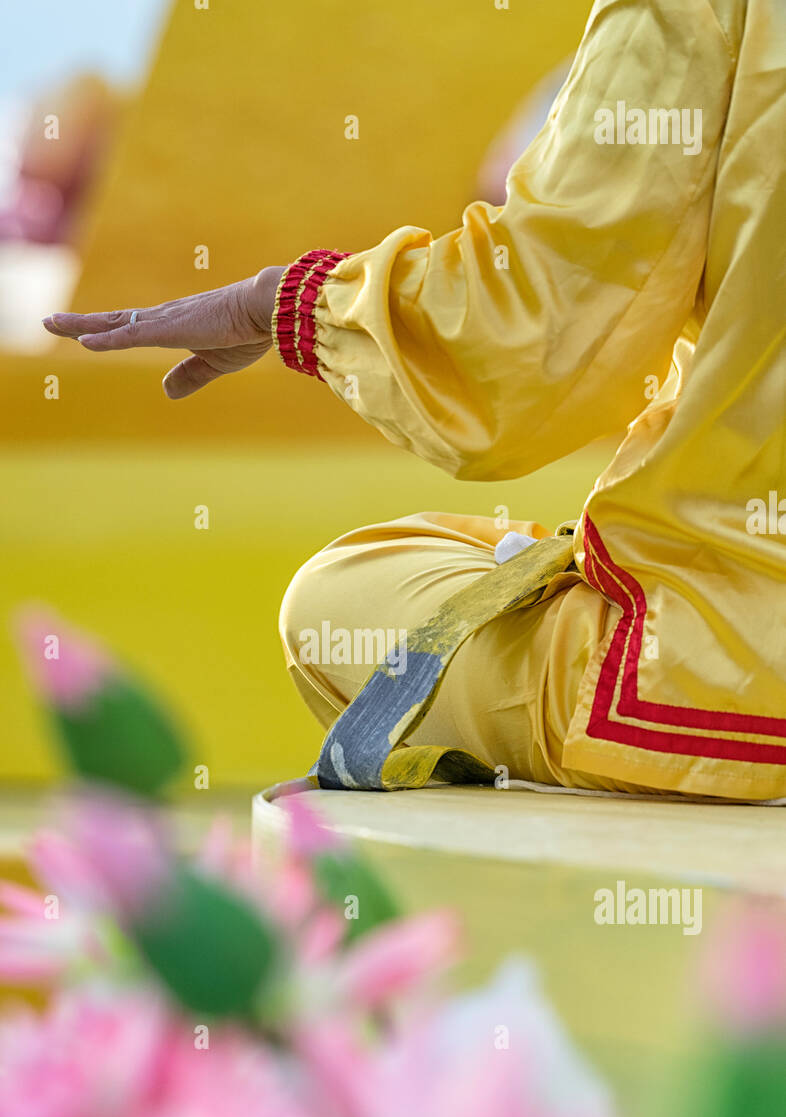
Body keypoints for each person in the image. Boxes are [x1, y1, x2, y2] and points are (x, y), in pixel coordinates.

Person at [44, 0, 786, 801]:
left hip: (735, 670)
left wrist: (289, 302)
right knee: (509, 555)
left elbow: (541, 339)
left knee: (342, 592)